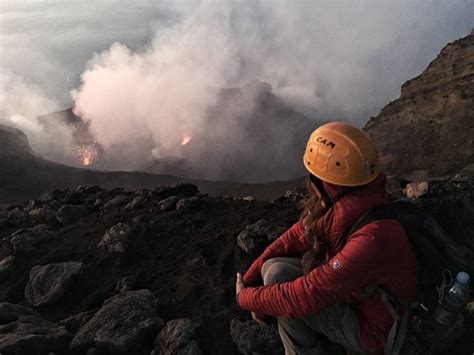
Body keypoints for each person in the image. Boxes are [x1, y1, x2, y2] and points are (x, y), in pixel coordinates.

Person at [235, 122, 418, 355]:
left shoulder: (373, 237)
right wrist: (250, 279)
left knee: (284, 300)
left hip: (377, 332)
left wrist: (245, 298)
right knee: (273, 269)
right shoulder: (355, 200)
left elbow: (303, 296)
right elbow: (291, 239)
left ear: (325, 182)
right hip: (360, 295)